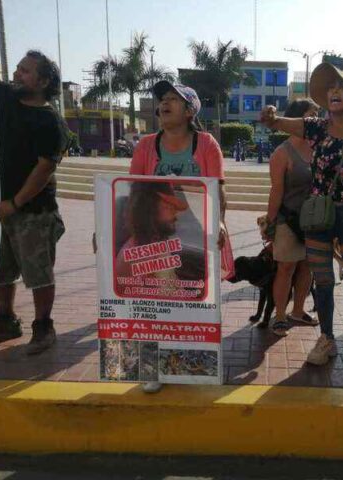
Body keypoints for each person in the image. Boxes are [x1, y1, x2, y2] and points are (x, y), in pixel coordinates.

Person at [260, 63, 343, 368]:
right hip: (318, 215)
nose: (334, 91)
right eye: (331, 87)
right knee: (323, 282)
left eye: (342, 86)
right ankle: (327, 339)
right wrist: (270, 115)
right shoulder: (317, 127)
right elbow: (279, 123)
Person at [129, 81, 233, 392]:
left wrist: (222, 223)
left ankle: (191, 362)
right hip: (159, 237)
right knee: (153, 303)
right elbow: (132, 189)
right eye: (163, 99)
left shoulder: (207, 144)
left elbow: (218, 189)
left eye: (173, 99)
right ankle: (153, 369)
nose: (164, 103)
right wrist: (107, 228)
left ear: (190, 111)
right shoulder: (146, 145)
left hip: (197, 236)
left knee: (194, 301)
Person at [0, 47, 67, 355]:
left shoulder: (49, 121)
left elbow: (45, 167)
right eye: (18, 68)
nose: (17, 74)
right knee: (0, 269)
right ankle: (5, 320)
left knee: (38, 273)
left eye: (25, 70)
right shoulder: (8, 99)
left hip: (34, 211)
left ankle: (44, 327)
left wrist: (15, 202)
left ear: (43, 81)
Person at [265, 98, 320, 337]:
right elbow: (276, 190)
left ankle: (298, 311)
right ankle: (279, 316)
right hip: (288, 220)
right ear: (297, 118)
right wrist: (270, 223)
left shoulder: (321, 147)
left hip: (316, 220)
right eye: (312, 114)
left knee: (307, 266)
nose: (317, 119)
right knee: (286, 267)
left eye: (318, 114)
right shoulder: (282, 152)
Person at [114, 182, 190, 282]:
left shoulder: (154, 244)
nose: (175, 215)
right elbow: (162, 295)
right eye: (168, 207)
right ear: (149, 210)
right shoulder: (143, 253)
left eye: (175, 209)